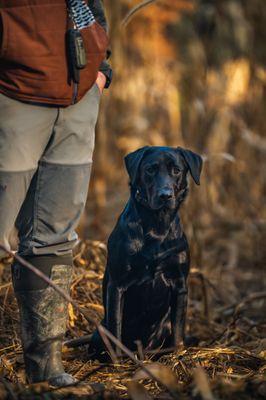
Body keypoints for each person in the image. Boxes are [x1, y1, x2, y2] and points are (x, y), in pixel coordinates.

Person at [0, 0, 112, 387]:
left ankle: (46, 374)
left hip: (78, 97)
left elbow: (90, 7)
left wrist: (101, 70)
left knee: (54, 240)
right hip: (12, 95)